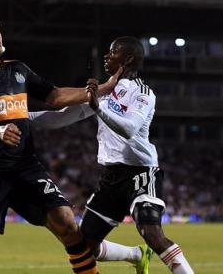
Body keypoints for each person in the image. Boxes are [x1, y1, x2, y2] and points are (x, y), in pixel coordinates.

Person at [0, 10, 121, 274]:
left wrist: (97, 91)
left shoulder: (18, 70)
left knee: (68, 224)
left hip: (26, 166)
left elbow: (55, 96)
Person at [30, 36, 195, 274]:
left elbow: (129, 128)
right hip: (111, 177)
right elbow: (62, 117)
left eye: (113, 52)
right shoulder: (103, 91)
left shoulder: (143, 93)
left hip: (140, 172)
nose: (107, 56)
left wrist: (99, 107)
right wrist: (18, 116)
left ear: (127, 59)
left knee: (151, 232)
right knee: (85, 246)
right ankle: (136, 255)